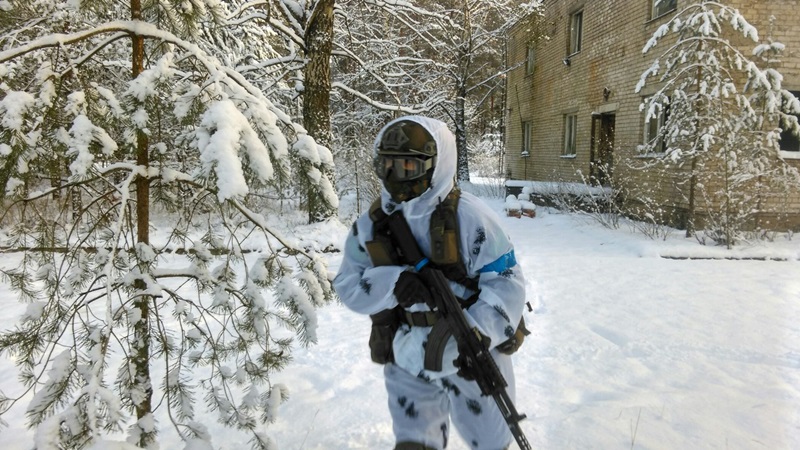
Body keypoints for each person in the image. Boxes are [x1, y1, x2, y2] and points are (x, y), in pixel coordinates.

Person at [333, 116, 527, 450]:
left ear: (435, 165)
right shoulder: (372, 225)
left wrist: (479, 332)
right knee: (414, 443)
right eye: (387, 165)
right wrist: (392, 283)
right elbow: (347, 283)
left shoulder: (471, 217)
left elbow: (506, 281)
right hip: (408, 355)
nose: (396, 176)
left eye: (408, 166)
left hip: (470, 354)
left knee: (492, 442)